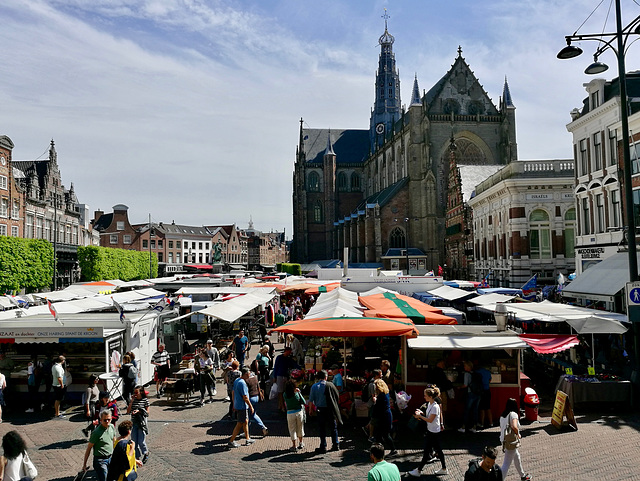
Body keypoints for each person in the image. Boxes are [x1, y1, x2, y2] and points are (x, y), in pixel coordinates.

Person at [408, 385, 447, 477]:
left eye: (425, 395)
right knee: (437, 451)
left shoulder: (435, 407)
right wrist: (421, 413)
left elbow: (430, 420)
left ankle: (419, 470)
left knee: (428, 451)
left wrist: (420, 416)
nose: (424, 397)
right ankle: (443, 468)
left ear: (430, 396)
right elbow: (428, 416)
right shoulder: (430, 404)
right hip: (431, 431)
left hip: (434, 432)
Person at [308, 370, 342, 453]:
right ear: (326, 377)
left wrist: (310, 410)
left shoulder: (314, 386)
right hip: (330, 409)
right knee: (333, 427)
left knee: (322, 428)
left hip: (320, 409)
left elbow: (311, 400)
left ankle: (323, 446)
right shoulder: (331, 385)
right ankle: (336, 444)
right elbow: (337, 396)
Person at [499, 399, 531, 481]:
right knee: (506, 463)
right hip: (511, 441)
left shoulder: (503, 415)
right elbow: (514, 426)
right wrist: (518, 434)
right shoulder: (513, 414)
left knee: (517, 457)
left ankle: (523, 475)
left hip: (504, 440)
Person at [83, 410, 117, 481]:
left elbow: (114, 441)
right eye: (105, 420)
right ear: (101, 420)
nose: (107, 421)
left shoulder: (111, 427)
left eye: (109, 419)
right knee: (104, 478)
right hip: (100, 461)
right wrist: (84, 464)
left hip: (110, 458)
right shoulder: (96, 433)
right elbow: (89, 448)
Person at [227, 368, 256, 448]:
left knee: (245, 421)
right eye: (249, 373)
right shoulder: (242, 383)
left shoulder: (237, 380)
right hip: (242, 406)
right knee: (239, 423)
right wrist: (251, 406)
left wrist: (233, 403)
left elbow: (233, 392)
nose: (250, 375)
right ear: (246, 374)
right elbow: (245, 397)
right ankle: (231, 441)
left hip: (238, 405)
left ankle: (247, 438)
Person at [371, 378, 396, 455]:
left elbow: (378, 406)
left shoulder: (381, 395)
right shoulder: (386, 393)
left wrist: (375, 400)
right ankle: (379, 450)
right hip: (385, 415)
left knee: (385, 434)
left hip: (383, 417)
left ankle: (392, 449)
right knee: (381, 434)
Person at [127, 386, 150, 464]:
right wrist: (131, 401)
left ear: (141, 392)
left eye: (137, 392)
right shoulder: (133, 400)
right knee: (134, 441)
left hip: (141, 423)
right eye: (134, 392)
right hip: (134, 422)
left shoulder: (145, 400)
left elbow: (147, 413)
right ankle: (137, 457)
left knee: (141, 441)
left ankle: (146, 453)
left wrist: (139, 411)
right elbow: (128, 411)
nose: (135, 394)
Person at [272, 346, 299, 413]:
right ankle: (282, 406)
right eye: (289, 352)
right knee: (280, 391)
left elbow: (293, 364)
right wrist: (274, 376)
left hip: (285, 376)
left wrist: (299, 368)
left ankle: (281, 405)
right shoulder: (279, 358)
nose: (290, 353)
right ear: (286, 351)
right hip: (280, 375)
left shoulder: (288, 358)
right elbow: (276, 367)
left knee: (284, 391)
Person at [283, 380, 306, 451]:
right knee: (300, 428)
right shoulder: (296, 394)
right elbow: (304, 402)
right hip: (299, 412)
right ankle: (301, 442)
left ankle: (294, 445)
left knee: (292, 430)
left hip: (290, 413)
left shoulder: (285, 394)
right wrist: (299, 392)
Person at [459, 361, 482, 433]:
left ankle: (463, 427)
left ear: (468, 367)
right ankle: (474, 427)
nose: (464, 367)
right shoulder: (475, 373)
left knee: (467, 410)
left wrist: (459, 387)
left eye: (465, 366)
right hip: (478, 393)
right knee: (475, 410)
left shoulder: (466, 374)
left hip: (471, 393)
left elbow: (465, 385)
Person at [245, 369, 268, 436]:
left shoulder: (246, 380)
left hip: (250, 398)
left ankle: (247, 432)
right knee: (254, 414)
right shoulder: (255, 377)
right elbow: (258, 386)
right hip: (256, 397)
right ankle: (263, 427)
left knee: (248, 416)